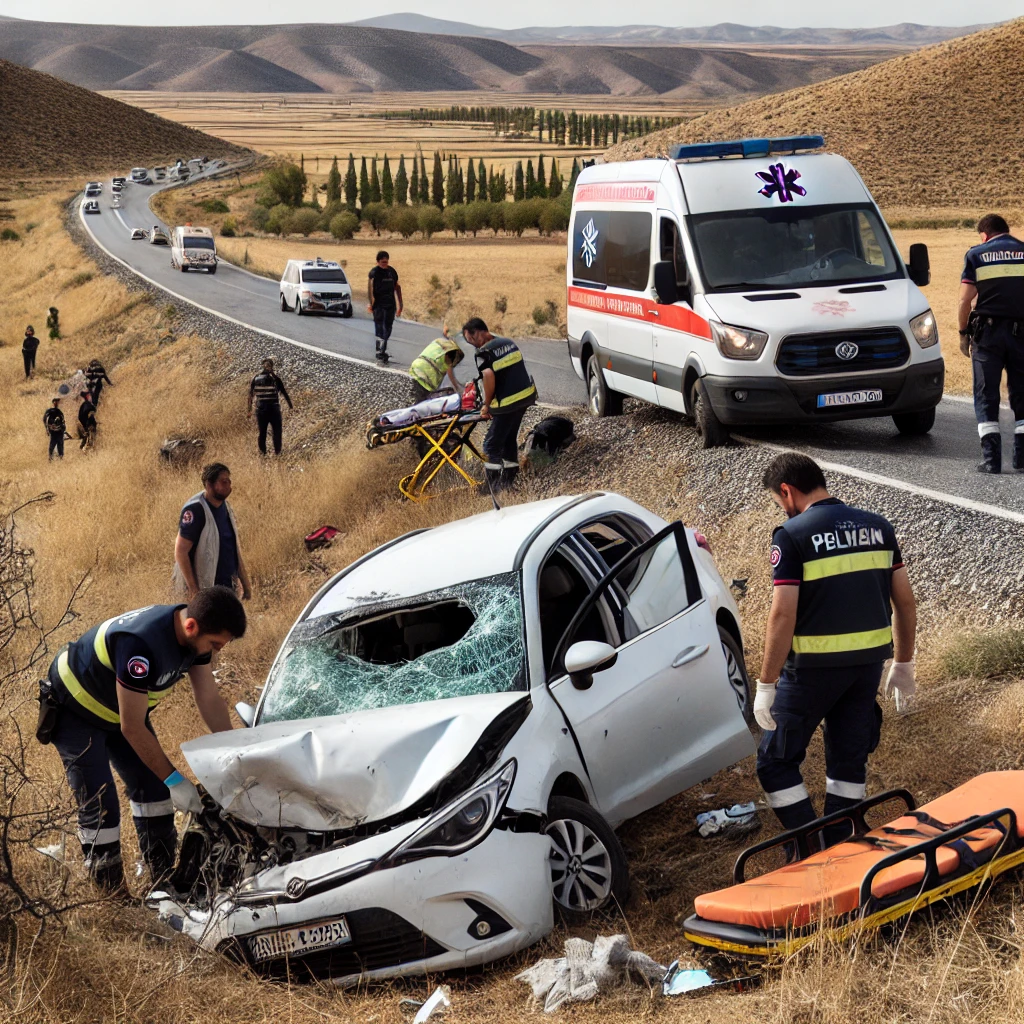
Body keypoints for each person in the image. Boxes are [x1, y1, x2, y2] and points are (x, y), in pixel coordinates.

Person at [38, 587, 246, 891]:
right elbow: (133, 728)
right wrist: (175, 780)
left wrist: (236, 750)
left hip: (117, 710)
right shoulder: (141, 644)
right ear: (191, 626)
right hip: (75, 711)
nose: (217, 651)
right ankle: (112, 895)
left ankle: (161, 877)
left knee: (153, 789)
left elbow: (209, 698)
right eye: (215, 643)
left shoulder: (195, 639)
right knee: (101, 802)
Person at [753, 453, 917, 840]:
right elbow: (905, 602)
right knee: (848, 759)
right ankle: (843, 839)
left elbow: (782, 616)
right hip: (865, 670)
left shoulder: (791, 536)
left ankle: (813, 846)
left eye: (779, 502)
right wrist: (904, 663)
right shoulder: (879, 528)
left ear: (787, 491)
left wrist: (765, 683)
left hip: (811, 673)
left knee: (775, 763)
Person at [959, 213, 1024, 474]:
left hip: (988, 335)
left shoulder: (976, 254)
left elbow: (964, 301)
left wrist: (964, 333)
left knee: (986, 394)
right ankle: (1022, 458)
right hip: (1022, 335)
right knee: (1022, 394)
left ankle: (991, 461)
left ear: (984, 235)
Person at [462, 317, 538, 492]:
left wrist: (486, 404)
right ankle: (509, 482)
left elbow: (489, 377)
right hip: (525, 397)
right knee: (509, 440)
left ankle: (492, 488)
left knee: (491, 445)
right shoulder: (508, 342)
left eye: (472, 340)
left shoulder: (484, 353)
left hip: (508, 403)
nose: (473, 345)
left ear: (480, 332)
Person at [173, 462, 252, 601]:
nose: (229, 485)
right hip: (205, 589)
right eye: (223, 481)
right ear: (209, 485)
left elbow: (233, 548)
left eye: (229, 481)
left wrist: (246, 584)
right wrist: (194, 590)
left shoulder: (226, 507)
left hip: (226, 587)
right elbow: (181, 551)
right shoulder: (195, 510)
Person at [247, 357, 293, 456]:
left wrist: (249, 410)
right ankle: (278, 453)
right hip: (273, 409)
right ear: (272, 367)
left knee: (262, 432)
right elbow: (284, 393)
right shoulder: (275, 379)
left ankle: (263, 454)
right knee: (277, 432)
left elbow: (250, 395)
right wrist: (291, 407)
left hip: (261, 409)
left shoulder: (255, 378)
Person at [409, 327, 464, 403]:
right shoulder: (449, 354)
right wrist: (457, 387)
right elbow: (449, 373)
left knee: (413, 394)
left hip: (416, 366)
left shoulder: (440, 343)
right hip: (427, 375)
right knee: (420, 402)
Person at [367, 250, 402, 363]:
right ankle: (379, 351)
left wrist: (400, 304)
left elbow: (397, 287)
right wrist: (371, 304)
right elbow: (370, 289)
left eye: (386, 262)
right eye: (382, 262)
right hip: (378, 305)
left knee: (388, 327)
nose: (384, 264)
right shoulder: (374, 273)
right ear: (378, 262)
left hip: (390, 304)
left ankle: (382, 349)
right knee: (379, 327)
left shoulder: (392, 272)